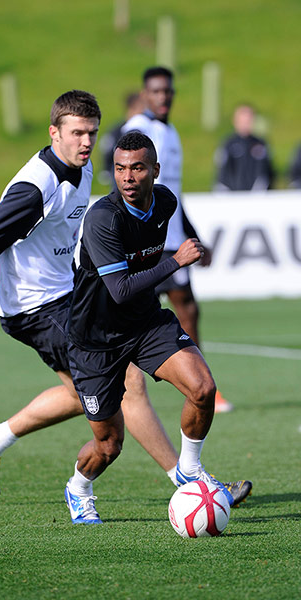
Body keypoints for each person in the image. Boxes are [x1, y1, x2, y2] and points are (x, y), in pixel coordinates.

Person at [0, 90, 250, 508]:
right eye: (77, 133)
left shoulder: (82, 170)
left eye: (92, 132)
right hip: (33, 308)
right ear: (55, 133)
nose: (86, 142)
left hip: (68, 296)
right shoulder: (35, 188)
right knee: (127, 382)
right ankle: (191, 485)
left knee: (80, 393)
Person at [65, 132, 246, 524]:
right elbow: (120, 288)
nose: (127, 177)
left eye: (137, 168)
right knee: (109, 444)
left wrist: (169, 263)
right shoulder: (103, 219)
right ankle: (78, 488)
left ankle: (191, 471)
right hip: (96, 339)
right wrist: (175, 262)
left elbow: (138, 286)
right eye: (119, 168)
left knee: (203, 389)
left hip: (145, 323)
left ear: (155, 171)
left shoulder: (165, 202)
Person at [121, 66, 233, 414]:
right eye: (156, 91)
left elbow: (173, 196)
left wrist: (194, 236)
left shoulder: (170, 133)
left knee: (187, 307)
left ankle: (201, 386)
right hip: (148, 242)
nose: (163, 97)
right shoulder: (137, 130)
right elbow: (125, 186)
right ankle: (123, 390)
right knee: (129, 315)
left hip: (173, 239)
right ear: (145, 94)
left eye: (168, 91)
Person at [214, 103, 275, 191]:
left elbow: (267, 172)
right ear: (235, 121)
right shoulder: (228, 144)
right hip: (233, 197)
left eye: (248, 120)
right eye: (242, 121)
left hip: (257, 198)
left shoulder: (260, 144)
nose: (246, 124)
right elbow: (222, 173)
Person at [98, 91, 144, 185]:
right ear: (133, 108)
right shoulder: (119, 130)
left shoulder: (146, 127)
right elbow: (107, 149)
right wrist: (107, 169)